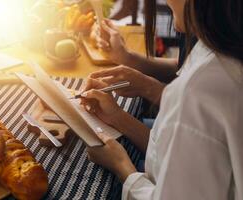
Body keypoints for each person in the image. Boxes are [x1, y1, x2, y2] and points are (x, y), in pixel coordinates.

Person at [81, 0, 243, 199]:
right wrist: (118, 118)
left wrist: (122, 167)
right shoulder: (221, 46)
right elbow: (180, 153)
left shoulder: (200, 91)